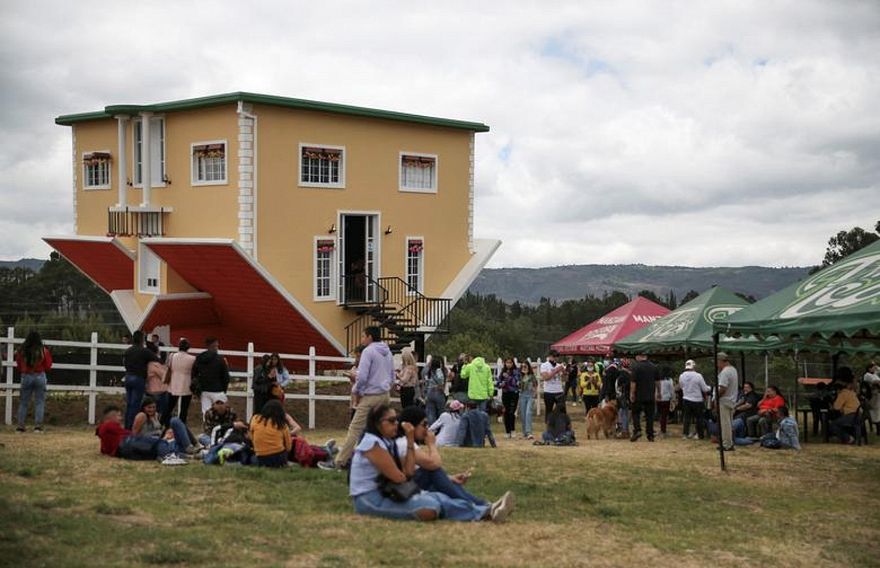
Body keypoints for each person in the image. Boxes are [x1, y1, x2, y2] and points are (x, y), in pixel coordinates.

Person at [348, 404, 511, 522]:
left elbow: (408, 473)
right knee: (432, 505)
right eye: (391, 421)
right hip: (370, 499)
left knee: (439, 497)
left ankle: (486, 512)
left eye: (396, 420)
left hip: (389, 492)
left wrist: (410, 440)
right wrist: (427, 446)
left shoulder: (386, 442)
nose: (396, 424)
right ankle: (484, 510)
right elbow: (400, 478)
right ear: (377, 423)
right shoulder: (372, 444)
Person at [399, 406, 514, 515]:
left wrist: (449, 478)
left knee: (449, 487)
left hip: (411, 485)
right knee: (433, 471)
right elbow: (434, 464)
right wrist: (432, 444)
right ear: (411, 425)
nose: (427, 428)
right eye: (424, 424)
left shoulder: (406, 442)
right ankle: (485, 506)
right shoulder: (404, 443)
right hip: (406, 488)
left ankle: (485, 508)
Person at [335, 326, 394, 468]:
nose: (361, 339)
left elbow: (362, 377)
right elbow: (392, 376)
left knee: (355, 428)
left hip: (371, 395)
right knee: (381, 429)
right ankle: (386, 459)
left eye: (363, 336)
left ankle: (340, 461)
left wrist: (357, 391)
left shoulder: (368, 351)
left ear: (370, 337)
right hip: (385, 395)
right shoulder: (388, 352)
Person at [14, 331, 52, 433]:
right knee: (39, 402)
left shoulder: (22, 350)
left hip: (26, 376)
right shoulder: (43, 350)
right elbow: (48, 365)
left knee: (23, 402)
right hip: (39, 376)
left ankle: (20, 426)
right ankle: (37, 427)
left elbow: (18, 364)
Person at [122, 331, 159, 430]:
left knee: (129, 404)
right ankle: (132, 427)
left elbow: (125, 363)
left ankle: (127, 427)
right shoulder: (144, 351)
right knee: (135, 404)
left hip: (128, 376)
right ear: (142, 339)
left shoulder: (128, 351)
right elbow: (157, 360)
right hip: (138, 378)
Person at [192, 337, 231, 416]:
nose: (217, 348)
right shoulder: (220, 359)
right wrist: (224, 389)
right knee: (222, 413)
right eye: (216, 346)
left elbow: (194, 374)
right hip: (218, 390)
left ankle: (207, 424)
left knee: (206, 413)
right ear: (213, 346)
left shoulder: (199, 358)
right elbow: (225, 377)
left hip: (204, 390)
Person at [250, 399, 292, 467]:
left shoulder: (255, 419)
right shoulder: (282, 424)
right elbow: (288, 447)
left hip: (261, 457)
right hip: (279, 458)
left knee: (252, 458)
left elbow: (251, 436)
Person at [164, 338, 196, 425]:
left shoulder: (172, 356)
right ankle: (181, 424)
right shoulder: (193, 358)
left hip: (173, 382)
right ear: (188, 347)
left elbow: (168, 366)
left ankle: (164, 422)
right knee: (184, 408)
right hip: (186, 383)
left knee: (169, 406)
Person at [629, 353, 660, 442]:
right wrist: (659, 392)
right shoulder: (654, 367)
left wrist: (632, 393)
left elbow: (633, 382)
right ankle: (650, 435)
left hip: (638, 395)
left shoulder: (636, 367)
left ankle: (637, 430)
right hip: (650, 395)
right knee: (650, 415)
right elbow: (658, 381)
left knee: (635, 413)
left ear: (638, 356)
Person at [679, 359, 710, 440]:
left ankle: (685, 434)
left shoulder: (681, 376)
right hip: (697, 400)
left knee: (687, 417)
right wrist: (710, 388)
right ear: (694, 366)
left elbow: (681, 387)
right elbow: (704, 389)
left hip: (686, 399)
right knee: (699, 418)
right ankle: (699, 434)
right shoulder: (698, 376)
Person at [716, 352, 739, 451]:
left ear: (720, 361)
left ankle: (726, 444)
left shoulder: (725, 372)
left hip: (724, 400)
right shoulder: (733, 370)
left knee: (725, 424)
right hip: (732, 400)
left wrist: (716, 398)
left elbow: (723, 388)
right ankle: (729, 442)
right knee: (729, 423)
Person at [830, 379, 861, 444]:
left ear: (838, 390)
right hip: (858, 415)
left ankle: (848, 438)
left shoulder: (842, 394)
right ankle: (851, 437)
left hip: (850, 416)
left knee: (833, 424)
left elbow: (836, 407)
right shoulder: (852, 392)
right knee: (840, 422)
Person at [497, 358, 520, 438]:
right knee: (506, 412)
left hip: (514, 393)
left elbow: (516, 382)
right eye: (507, 362)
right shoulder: (503, 372)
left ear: (513, 363)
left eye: (510, 362)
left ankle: (512, 429)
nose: (508, 364)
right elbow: (498, 383)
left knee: (511, 412)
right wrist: (501, 384)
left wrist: (508, 377)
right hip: (505, 393)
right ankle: (507, 431)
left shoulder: (516, 371)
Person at [540, 350, 566, 420]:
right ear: (549, 356)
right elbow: (546, 378)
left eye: (557, 356)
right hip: (549, 392)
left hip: (559, 391)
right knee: (549, 411)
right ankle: (549, 425)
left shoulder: (559, 365)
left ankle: (562, 425)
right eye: (554, 356)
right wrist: (555, 371)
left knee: (562, 411)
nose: (555, 358)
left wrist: (564, 372)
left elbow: (565, 379)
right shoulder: (544, 365)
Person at [423, 356, 448, 425]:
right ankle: (441, 426)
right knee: (441, 412)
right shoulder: (439, 370)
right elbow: (441, 380)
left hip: (429, 392)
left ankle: (432, 427)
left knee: (431, 412)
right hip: (438, 392)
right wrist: (440, 385)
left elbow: (426, 381)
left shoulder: (429, 371)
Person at [518, 361, 538, 440]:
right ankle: (525, 432)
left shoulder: (532, 376)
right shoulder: (520, 376)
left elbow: (535, 385)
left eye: (525, 366)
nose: (524, 368)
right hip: (522, 395)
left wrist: (534, 394)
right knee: (523, 414)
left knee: (528, 413)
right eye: (522, 367)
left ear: (528, 367)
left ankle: (529, 432)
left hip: (530, 395)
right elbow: (519, 386)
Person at [656, 366, 675, 437]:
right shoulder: (669, 380)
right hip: (666, 399)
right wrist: (673, 399)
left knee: (661, 415)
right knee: (664, 416)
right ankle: (663, 431)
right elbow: (672, 390)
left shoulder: (658, 379)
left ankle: (661, 429)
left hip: (658, 399)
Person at [615, 360, 632, 437]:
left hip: (622, 396)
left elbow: (619, 387)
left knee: (622, 413)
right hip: (627, 396)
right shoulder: (630, 375)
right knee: (626, 413)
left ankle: (624, 431)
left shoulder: (621, 375)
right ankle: (626, 430)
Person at [861, 362, 880, 428]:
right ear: (869, 368)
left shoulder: (874, 374)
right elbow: (875, 382)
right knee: (873, 412)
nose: (874, 369)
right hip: (872, 395)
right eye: (873, 368)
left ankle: (876, 426)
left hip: (877, 394)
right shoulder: (867, 375)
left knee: (877, 412)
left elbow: (878, 370)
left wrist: (876, 366)